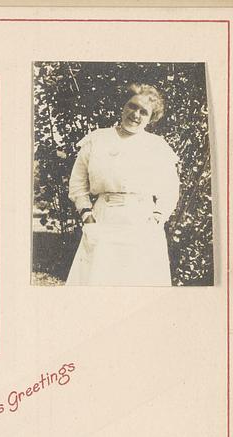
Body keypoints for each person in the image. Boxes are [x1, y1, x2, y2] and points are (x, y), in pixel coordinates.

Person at [66, 83, 180, 286]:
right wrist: (86, 214)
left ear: (151, 118)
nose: (136, 114)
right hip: (103, 219)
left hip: (142, 223)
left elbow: (170, 189)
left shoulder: (157, 147)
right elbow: (77, 182)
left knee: (139, 286)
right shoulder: (97, 140)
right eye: (132, 106)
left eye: (143, 112)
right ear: (123, 106)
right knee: (98, 284)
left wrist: (156, 218)